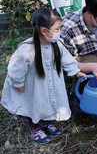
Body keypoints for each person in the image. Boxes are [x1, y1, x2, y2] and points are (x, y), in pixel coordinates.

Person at [1, 9, 86, 144]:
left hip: (50, 81)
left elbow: (67, 59)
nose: (60, 32)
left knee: (47, 100)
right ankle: (34, 127)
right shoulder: (27, 49)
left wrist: (75, 71)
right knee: (34, 103)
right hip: (33, 84)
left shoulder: (56, 44)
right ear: (44, 31)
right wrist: (18, 83)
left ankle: (46, 122)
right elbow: (15, 68)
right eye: (57, 29)